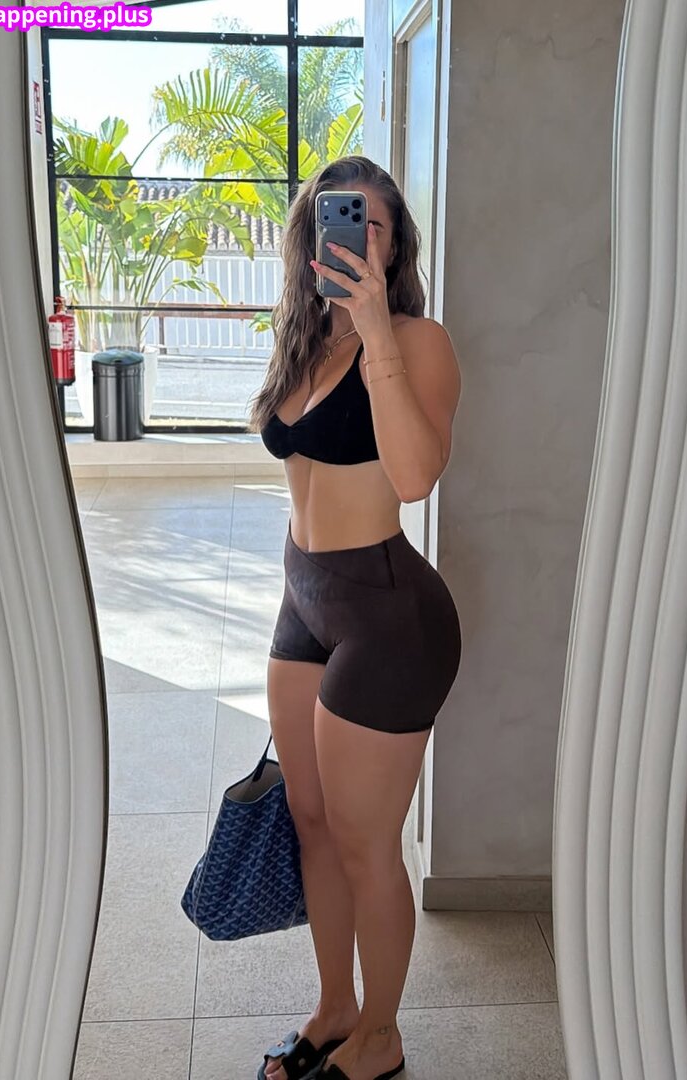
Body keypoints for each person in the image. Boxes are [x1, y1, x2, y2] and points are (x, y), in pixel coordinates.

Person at [248, 155, 462, 1080]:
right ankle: (335, 1005)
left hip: (387, 617)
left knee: (367, 844)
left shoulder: (417, 341)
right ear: (309, 242)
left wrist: (375, 327)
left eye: (370, 224)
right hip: (304, 597)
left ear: (394, 246)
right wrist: (341, 323)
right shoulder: (303, 338)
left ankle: (381, 1033)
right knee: (311, 820)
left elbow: (412, 478)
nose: (353, 238)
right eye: (336, 221)